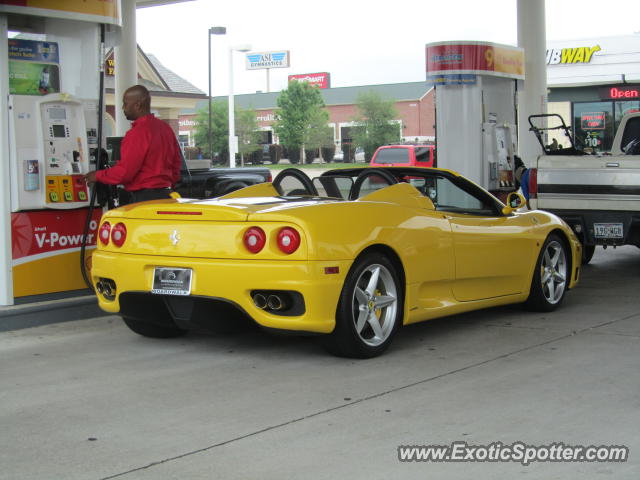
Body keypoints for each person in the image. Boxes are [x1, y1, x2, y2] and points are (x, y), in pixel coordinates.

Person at [84, 85, 182, 205]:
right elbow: (176, 165)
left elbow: (125, 173)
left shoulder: (138, 133)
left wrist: (96, 176)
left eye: (125, 103)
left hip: (145, 199)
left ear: (137, 105)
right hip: (167, 196)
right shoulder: (165, 129)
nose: (123, 108)